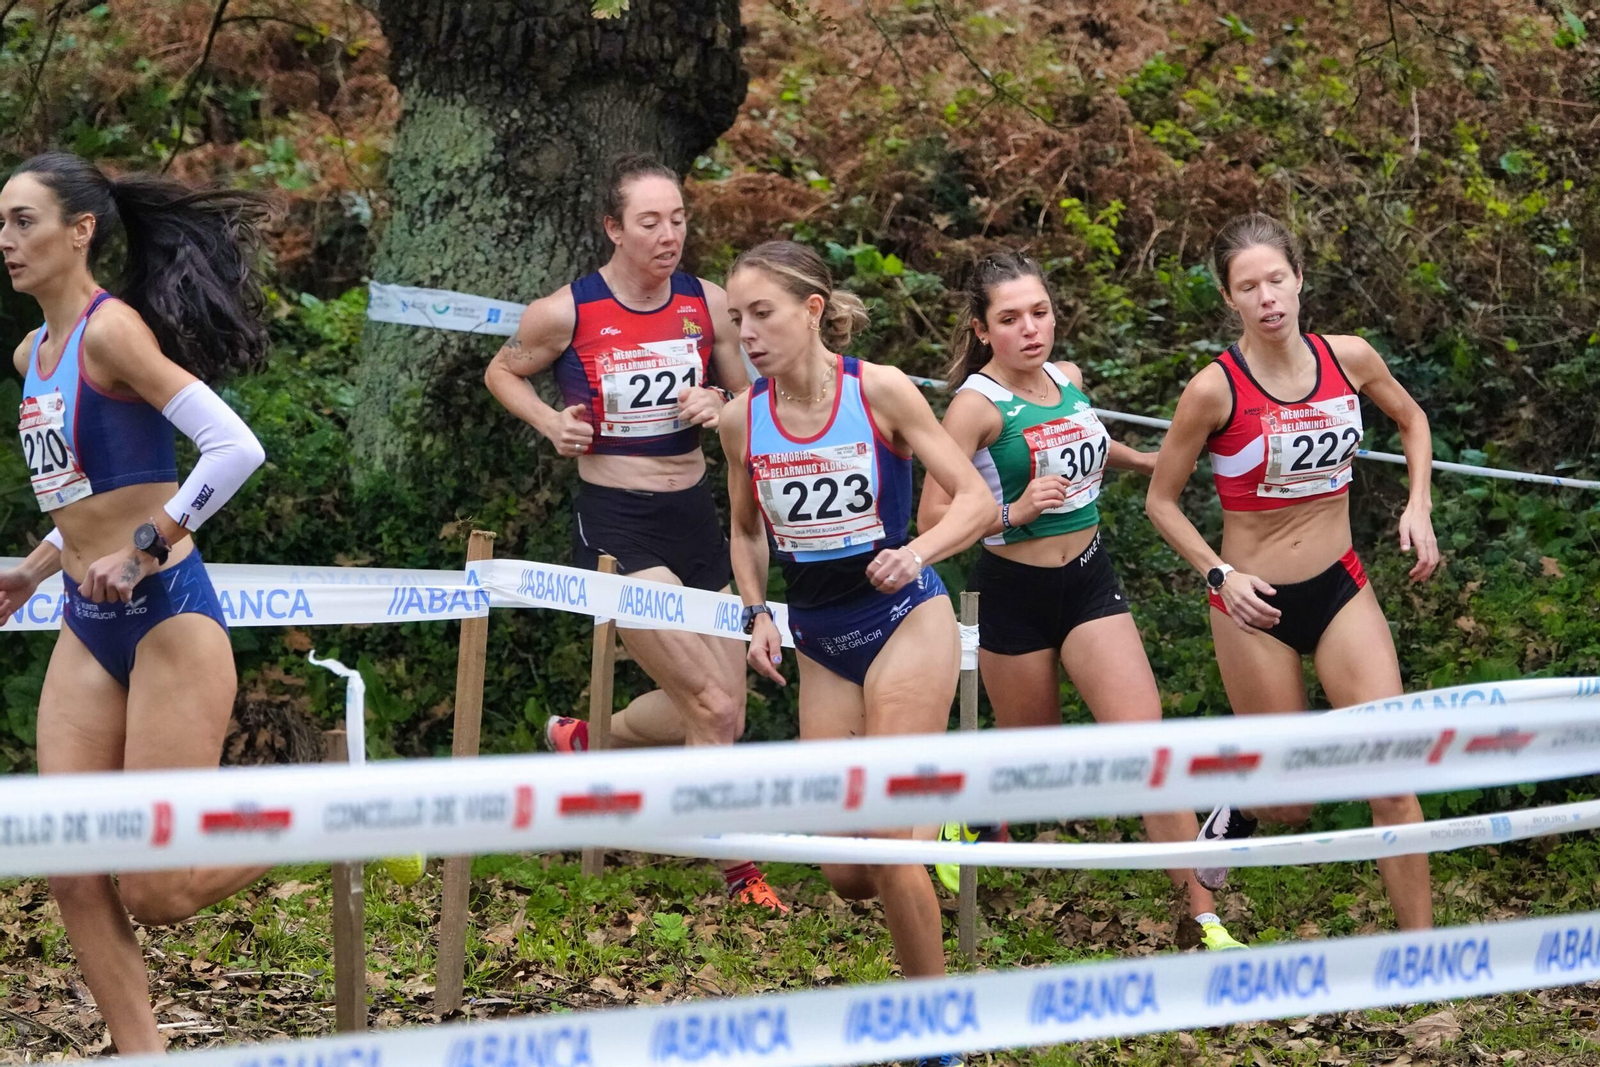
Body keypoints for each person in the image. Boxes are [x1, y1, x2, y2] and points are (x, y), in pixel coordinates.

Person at [0, 153, 271, 1053]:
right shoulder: (30, 354)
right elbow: (89, 495)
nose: (7, 240)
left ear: (81, 231)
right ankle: (141, 1052)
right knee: (73, 864)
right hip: (86, 622)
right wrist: (35, 570)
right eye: (2, 222)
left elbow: (233, 448)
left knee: (158, 892)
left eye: (25, 221)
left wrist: (149, 545)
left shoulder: (113, 334)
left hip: (168, 620)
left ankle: (319, 815)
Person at [917, 252, 1245, 952]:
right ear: (982, 329)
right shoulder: (974, 407)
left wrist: (1150, 461)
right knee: (1034, 757)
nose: (1030, 328)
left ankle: (1204, 917)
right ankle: (963, 816)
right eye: (1010, 318)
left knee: (1146, 746)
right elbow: (931, 519)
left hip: (1091, 581)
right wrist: (1012, 510)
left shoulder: (1067, 380)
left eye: (1039, 312)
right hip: (1015, 591)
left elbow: (1087, 444)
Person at [483, 153, 785, 911]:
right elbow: (502, 371)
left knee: (726, 706)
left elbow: (751, 391)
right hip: (618, 527)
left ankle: (585, 742)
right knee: (713, 708)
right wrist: (551, 421)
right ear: (614, 228)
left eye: (679, 219)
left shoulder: (707, 303)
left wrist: (717, 399)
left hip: (697, 517)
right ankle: (738, 873)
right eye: (651, 221)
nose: (669, 234)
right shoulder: (567, 311)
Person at [721, 239, 990, 1064]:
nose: (748, 333)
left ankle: (934, 1033)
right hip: (820, 639)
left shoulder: (878, 391)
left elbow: (977, 502)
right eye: (735, 318)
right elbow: (742, 530)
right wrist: (757, 612)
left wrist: (919, 550)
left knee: (882, 842)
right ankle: (930, 821)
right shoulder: (742, 420)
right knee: (847, 870)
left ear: (811, 309)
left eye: (761, 313)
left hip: (907, 617)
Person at [1145, 212, 1439, 930]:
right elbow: (1160, 501)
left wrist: (1418, 503)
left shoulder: (1351, 358)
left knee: (1393, 780)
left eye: (1277, 278)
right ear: (1230, 299)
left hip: (1341, 586)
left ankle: (1424, 966)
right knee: (1291, 802)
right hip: (1254, 604)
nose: (1268, 296)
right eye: (1250, 286)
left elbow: (1413, 419)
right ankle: (1241, 800)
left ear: (1301, 279)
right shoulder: (1214, 389)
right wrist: (1219, 575)